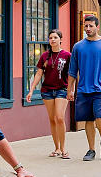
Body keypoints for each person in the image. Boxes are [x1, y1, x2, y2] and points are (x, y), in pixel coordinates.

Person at [67, 14, 101, 161]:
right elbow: (72, 70)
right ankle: (91, 150)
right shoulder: (78, 47)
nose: (88, 29)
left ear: (97, 27)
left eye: (91, 26)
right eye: (86, 26)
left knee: (100, 117)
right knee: (88, 120)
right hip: (83, 89)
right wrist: (70, 89)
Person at [26, 29, 71, 158]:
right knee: (52, 119)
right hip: (47, 90)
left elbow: (72, 74)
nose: (53, 40)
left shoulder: (67, 55)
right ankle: (56, 148)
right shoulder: (45, 56)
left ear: (61, 40)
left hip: (62, 89)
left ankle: (63, 149)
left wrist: (71, 89)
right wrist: (31, 90)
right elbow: (39, 73)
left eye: (55, 37)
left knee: (60, 118)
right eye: (50, 37)